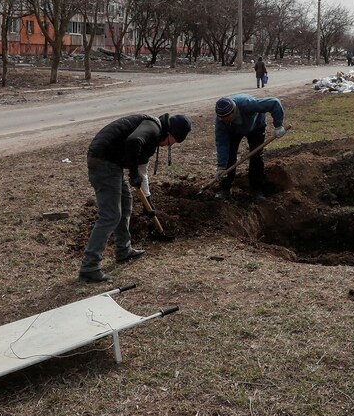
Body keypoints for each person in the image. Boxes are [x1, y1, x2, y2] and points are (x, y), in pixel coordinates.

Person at [80, 112, 192, 282]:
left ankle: (123, 250)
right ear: (171, 134)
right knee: (110, 216)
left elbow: (142, 172)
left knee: (126, 204)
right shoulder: (152, 128)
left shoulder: (151, 137)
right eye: (172, 143)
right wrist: (132, 173)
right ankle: (90, 266)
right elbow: (133, 142)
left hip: (111, 163)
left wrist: (148, 202)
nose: (168, 146)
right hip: (103, 161)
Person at [214, 94, 285, 200]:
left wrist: (278, 125)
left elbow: (274, 103)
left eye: (225, 118)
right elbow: (221, 143)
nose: (222, 120)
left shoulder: (247, 104)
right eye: (221, 118)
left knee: (256, 156)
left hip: (256, 126)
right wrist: (221, 167)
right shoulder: (221, 121)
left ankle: (257, 189)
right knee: (229, 155)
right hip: (233, 130)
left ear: (232, 112)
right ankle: (225, 189)